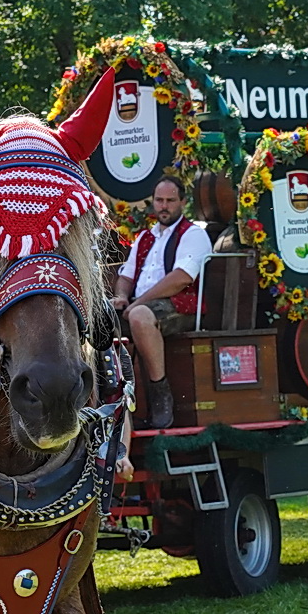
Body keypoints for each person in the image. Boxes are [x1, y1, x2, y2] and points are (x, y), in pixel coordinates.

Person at [113, 175, 212, 428]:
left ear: (183, 202)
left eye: (170, 200)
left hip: (183, 306)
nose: (164, 206)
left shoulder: (193, 234)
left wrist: (137, 304)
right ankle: (108, 398)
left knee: (140, 316)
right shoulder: (145, 237)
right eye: (159, 200)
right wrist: (122, 297)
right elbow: (125, 274)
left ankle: (160, 393)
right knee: (98, 318)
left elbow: (180, 279)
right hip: (143, 305)